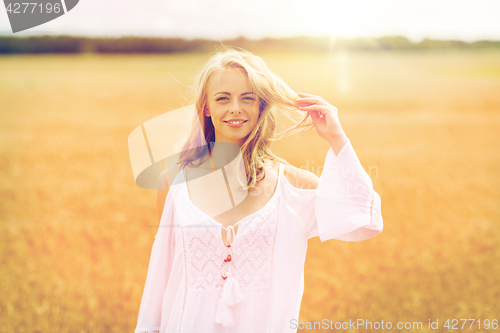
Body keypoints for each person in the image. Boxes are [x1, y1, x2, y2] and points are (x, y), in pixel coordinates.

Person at [134, 47, 383, 333]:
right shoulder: (174, 181)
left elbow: (365, 220)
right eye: (223, 98)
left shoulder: (293, 186)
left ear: (261, 106)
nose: (235, 108)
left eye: (247, 98)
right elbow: (160, 277)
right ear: (206, 107)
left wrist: (336, 137)